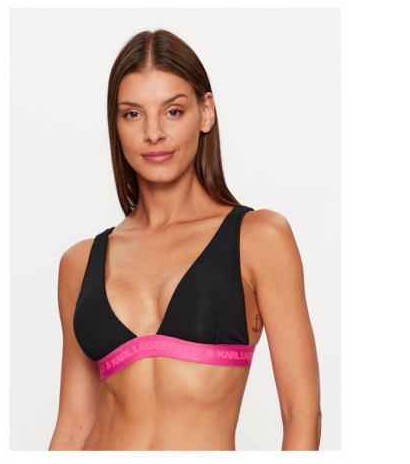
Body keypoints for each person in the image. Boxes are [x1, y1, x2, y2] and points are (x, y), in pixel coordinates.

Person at [48, 29, 321, 451]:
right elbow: (72, 428)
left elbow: (300, 412)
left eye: (172, 111)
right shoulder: (80, 264)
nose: (153, 133)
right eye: (132, 114)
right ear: (115, 124)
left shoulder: (259, 239)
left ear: (206, 112)